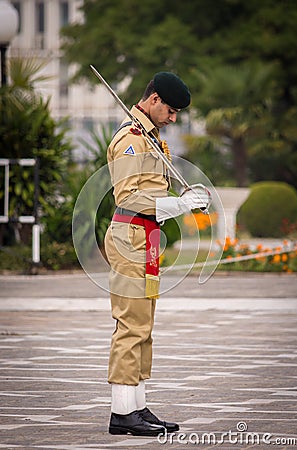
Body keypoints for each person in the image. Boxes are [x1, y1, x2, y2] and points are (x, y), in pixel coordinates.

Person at [104, 71, 209, 436]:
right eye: (172, 109)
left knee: (144, 327)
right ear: (153, 101)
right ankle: (121, 413)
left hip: (146, 238)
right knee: (130, 325)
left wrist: (179, 203)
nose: (174, 117)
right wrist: (178, 206)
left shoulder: (150, 138)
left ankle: (137, 405)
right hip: (130, 236)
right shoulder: (130, 140)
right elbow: (129, 198)